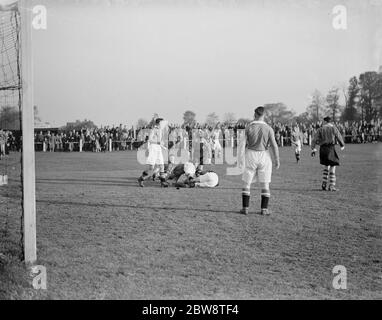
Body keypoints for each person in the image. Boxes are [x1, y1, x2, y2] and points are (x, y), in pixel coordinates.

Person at [238, 106, 280, 216]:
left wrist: (240, 158)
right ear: (264, 115)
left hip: (251, 154)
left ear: (255, 115)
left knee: (246, 183)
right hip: (264, 155)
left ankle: (245, 208)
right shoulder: (269, 128)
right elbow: (274, 146)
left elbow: (242, 145)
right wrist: (277, 159)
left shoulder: (249, 127)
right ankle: (264, 209)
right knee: (265, 184)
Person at [311, 116, 345, 192]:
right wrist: (342, 145)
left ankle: (324, 184)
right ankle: (332, 186)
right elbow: (339, 136)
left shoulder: (320, 129)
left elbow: (314, 139)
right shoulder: (333, 128)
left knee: (326, 166)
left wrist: (313, 148)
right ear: (330, 122)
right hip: (330, 148)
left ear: (325, 121)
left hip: (322, 149)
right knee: (333, 166)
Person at [138, 118, 168, 187]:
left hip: (158, 148)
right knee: (151, 168)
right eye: (162, 122)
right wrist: (157, 142)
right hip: (153, 148)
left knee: (161, 165)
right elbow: (150, 139)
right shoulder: (153, 130)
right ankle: (141, 178)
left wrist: (162, 145)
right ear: (158, 123)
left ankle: (163, 182)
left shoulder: (161, 130)